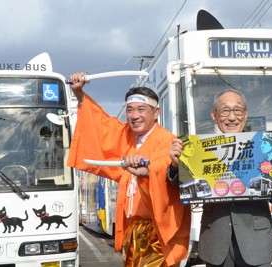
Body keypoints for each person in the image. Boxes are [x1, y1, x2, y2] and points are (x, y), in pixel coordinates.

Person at [67, 72, 191, 267]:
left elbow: (163, 166)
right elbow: (102, 125)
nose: (134, 116)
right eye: (130, 110)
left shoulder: (167, 140)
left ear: (156, 113)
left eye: (141, 110)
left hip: (156, 229)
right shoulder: (127, 135)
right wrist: (79, 93)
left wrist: (147, 169)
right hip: (132, 227)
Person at [168, 89, 272, 267]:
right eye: (225, 111)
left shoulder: (263, 148)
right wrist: (174, 165)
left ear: (245, 115)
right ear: (214, 115)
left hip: (256, 243)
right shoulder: (199, 150)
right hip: (216, 243)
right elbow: (180, 187)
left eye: (238, 110)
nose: (232, 117)